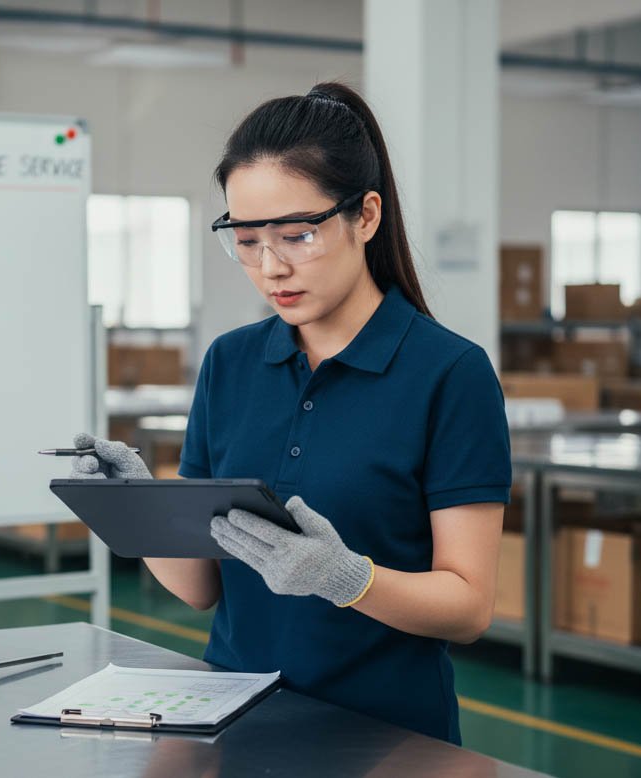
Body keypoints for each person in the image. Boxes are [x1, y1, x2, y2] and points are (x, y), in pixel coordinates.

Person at [70, 81, 511, 744]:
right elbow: (200, 588)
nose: (271, 267)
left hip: (386, 739)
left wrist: (346, 578)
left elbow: (469, 607)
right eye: (246, 240)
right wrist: (136, 505)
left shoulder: (449, 373)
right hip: (232, 722)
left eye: (298, 235)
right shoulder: (231, 363)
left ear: (366, 216)